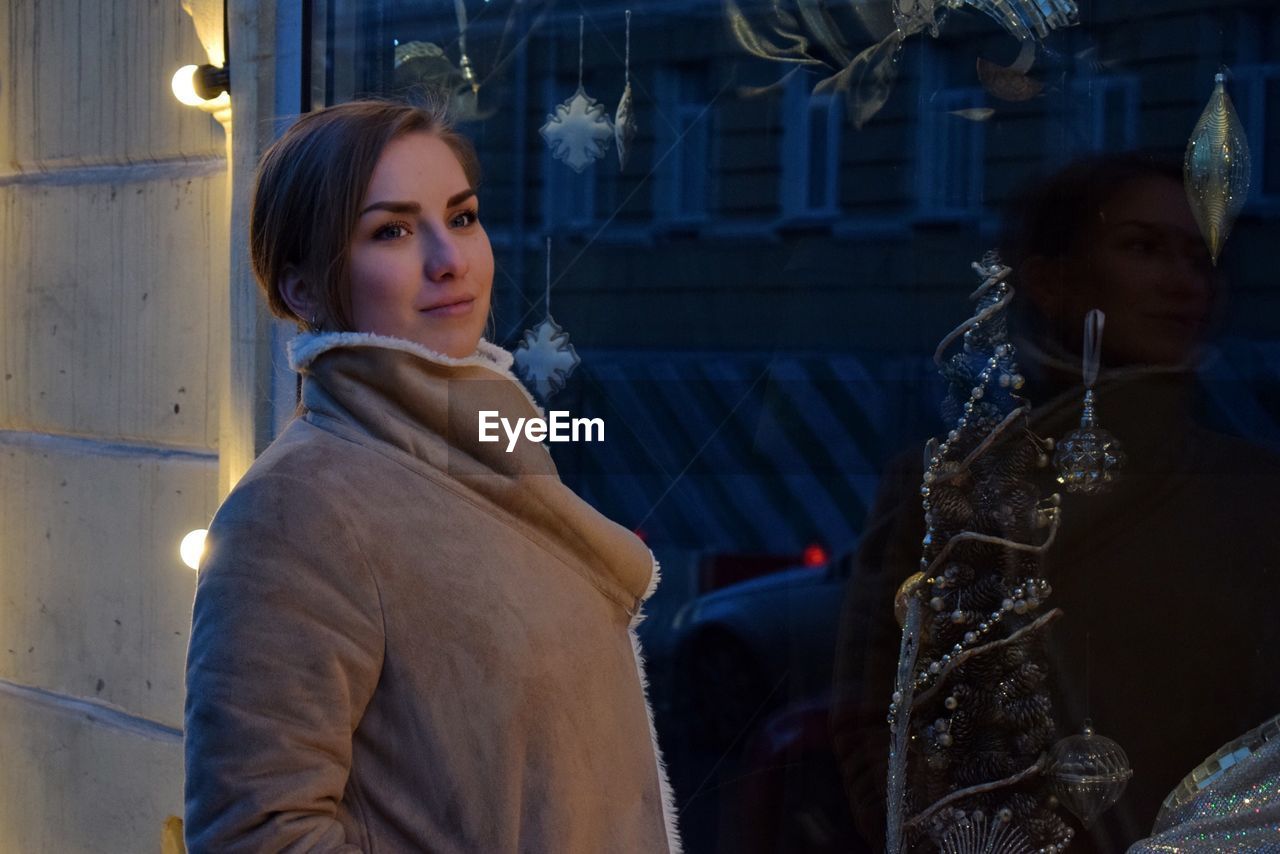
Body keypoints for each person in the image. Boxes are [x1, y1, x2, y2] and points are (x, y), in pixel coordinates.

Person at [183, 97, 682, 853]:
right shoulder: (299, 509)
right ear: (302, 290)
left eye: (462, 216)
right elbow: (257, 836)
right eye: (392, 230)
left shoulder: (488, 450)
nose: (449, 259)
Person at [830, 152, 1280, 852]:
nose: (1183, 283)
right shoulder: (954, 485)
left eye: (1201, 259)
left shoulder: (1250, 492)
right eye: (1143, 247)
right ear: (1052, 280)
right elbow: (873, 719)